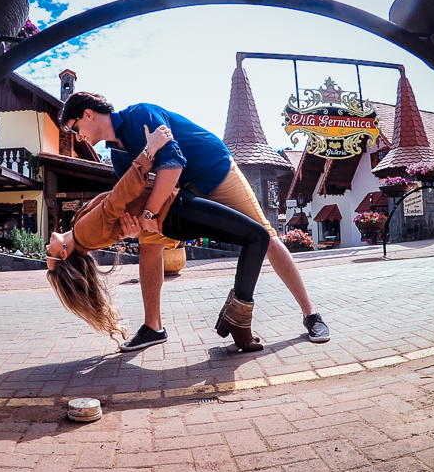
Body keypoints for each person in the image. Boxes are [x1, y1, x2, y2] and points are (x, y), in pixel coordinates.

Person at [58, 92, 330, 348]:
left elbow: (173, 164)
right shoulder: (117, 155)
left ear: (88, 114)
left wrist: (149, 214)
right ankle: (153, 327)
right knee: (149, 245)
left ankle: (311, 314)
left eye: (75, 128)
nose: (78, 137)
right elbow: (136, 192)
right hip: (180, 191)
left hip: (215, 171)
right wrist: (134, 227)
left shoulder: (139, 115)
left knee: (267, 238)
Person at [46, 124, 271, 353]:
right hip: (175, 213)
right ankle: (238, 322)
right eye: (48, 252)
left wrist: (135, 229)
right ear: (63, 253)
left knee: (255, 236)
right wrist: (149, 151)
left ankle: (233, 319)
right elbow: (117, 198)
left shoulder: (79, 228)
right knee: (258, 236)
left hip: (173, 210)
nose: (47, 245)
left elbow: (121, 213)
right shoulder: (84, 234)